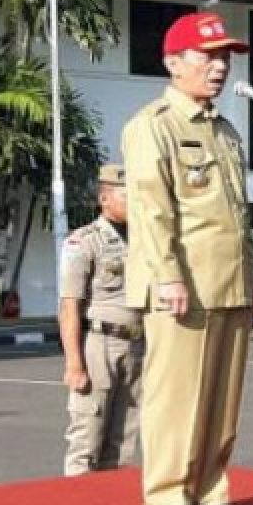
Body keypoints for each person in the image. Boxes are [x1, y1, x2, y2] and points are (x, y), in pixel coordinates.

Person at [122, 12, 253, 505]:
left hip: (227, 281)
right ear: (173, 62)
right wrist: (167, 276)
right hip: (181, 283)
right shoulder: (153, 126)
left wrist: (252, 277)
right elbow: (152, 210)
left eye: (224, 58)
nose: (220, 68)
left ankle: (209, 489)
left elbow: (237, 214)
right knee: (177, 393)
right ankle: (165, 495)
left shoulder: (224, 132)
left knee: (222, 398)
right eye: (208, 57)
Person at [58, 165, 144, 476]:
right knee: (86, 438)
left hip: (136, 347)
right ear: (104, 198)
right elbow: (69, 306)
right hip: (99, 346)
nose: (135, 203)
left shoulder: (144, 241)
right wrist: (74, 364)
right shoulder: (84, 242)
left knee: (122, 440)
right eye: (127, 196)